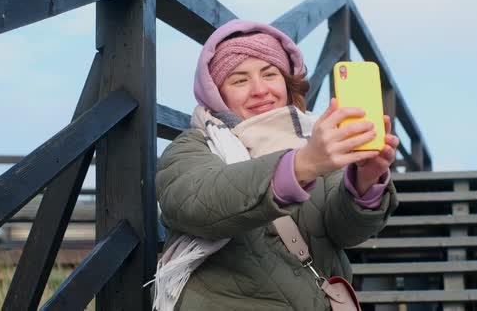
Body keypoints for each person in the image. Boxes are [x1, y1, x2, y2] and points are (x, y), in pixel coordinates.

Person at [153, 19, 400, 311]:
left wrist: (365, 182)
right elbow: (197, 202)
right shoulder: (194, 145)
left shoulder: (316, 139)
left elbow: (345, 232)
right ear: (216, 93)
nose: (260, 90)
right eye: (239, 80)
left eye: (270, 74)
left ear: (287, 81)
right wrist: (302, 165)